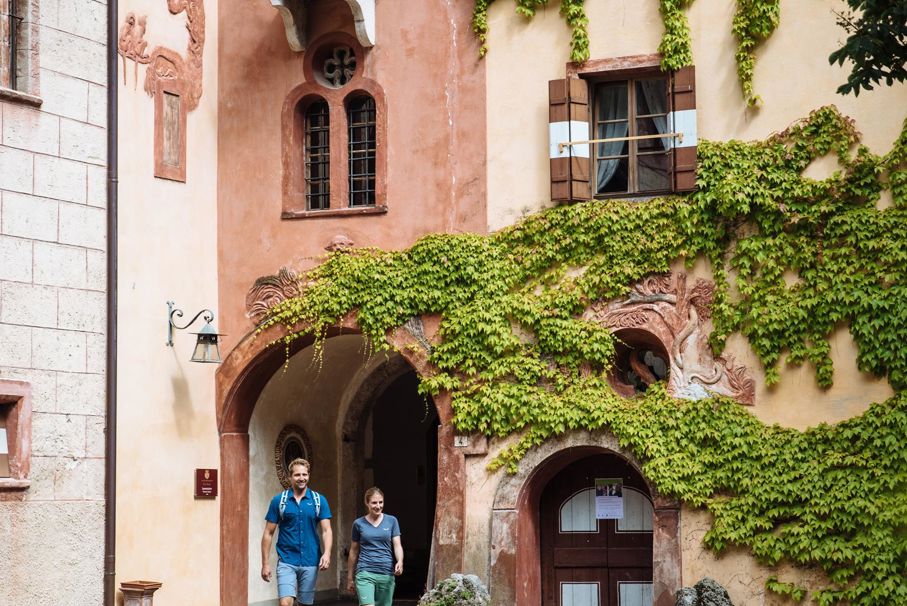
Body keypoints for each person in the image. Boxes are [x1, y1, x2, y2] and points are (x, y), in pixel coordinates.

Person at [261, 458, 333, 606]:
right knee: (285, 603)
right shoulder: (279, 501)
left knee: (305, 604)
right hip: (287, 560)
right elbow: (268, 533)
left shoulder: (319, 500)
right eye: (297, 475)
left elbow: (327, 530)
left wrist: (327, 553)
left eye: (305, 474)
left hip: (310, 560)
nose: (302, 478)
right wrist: (265, 564)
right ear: (290, 477)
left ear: (308, 475)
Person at [346, 487, 403, 606]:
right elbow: (353, 551)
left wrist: (400, 561)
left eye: (380, 502)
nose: (378, 506)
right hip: (365, 572)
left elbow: (397, 545)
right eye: (374, 503)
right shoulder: (358, 524)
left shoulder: (392, 521)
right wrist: (350, 577)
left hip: (386, 573)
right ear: (367, 503)